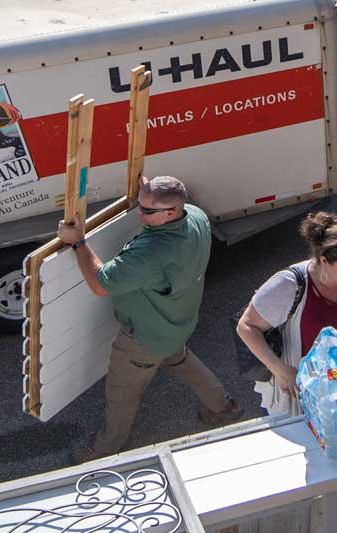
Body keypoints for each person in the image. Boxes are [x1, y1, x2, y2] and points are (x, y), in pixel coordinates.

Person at [53, 176, 241, 459]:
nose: (138, 214)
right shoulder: (197, 217)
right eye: (139, 206)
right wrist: (148, 191)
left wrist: (78, 242)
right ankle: (223, 406)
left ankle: (105, 448)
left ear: (171, 212)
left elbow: (99, 284)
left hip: (143, 338)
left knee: (122, 392)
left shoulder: (149, 255)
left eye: (146, 210)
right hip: (176, 320)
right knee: (179, 358)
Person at [236, 212, 337, 416]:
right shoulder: (289, 285)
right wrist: (278, 369)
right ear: (324, 260)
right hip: (308, 399)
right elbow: (246, 326)